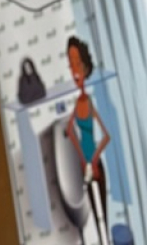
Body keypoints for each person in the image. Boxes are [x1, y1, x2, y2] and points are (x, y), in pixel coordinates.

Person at [65, 35, 111, 243]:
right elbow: (69, 129)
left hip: (94, 162)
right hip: (85, 163)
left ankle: (106, 238)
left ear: (85, 66)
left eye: (77, 63)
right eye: (70, 64)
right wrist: (83, 158)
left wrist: (94, 156)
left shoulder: (87, 102)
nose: (74, 70)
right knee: (92, 212)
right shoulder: (77, 103)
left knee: (104, 215)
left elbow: (106, 135)